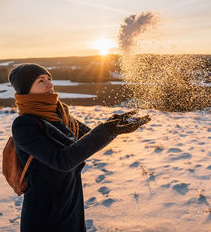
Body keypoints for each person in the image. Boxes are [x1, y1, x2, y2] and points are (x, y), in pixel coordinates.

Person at [8, 63, 150, 232]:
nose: (49, 84)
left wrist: (114, 124)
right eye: (41, 81)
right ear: (26, 89)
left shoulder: (60, 114)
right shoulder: (24, 125)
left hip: (71, 205)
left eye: (49, 79)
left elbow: (87, 138)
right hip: (44, 213)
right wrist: (107, 129)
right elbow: (63, 161)